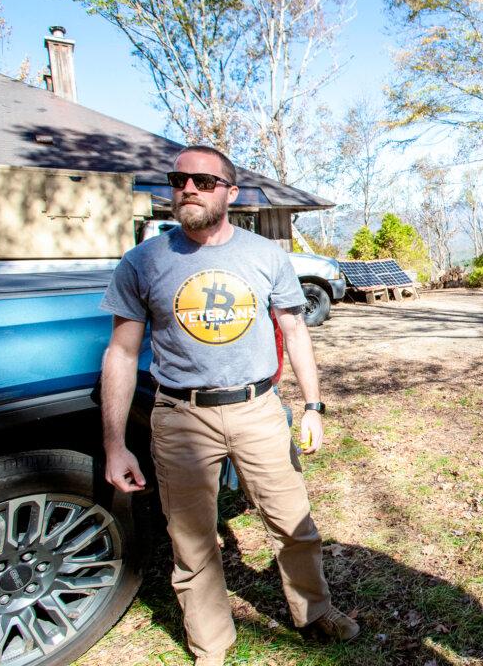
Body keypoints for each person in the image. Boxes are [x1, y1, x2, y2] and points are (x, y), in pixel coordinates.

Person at [99, 145, 358, 666]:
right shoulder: (143, 262)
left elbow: (294, 331)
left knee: (293, 524)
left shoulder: (265, 255)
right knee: (191, 541)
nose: (188, 188)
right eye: (179, 180)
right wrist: (114, 444)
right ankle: (211, 645)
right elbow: (122, 352)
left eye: (203, 181)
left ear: (230, 193)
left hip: (258, 409)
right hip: (180, 416)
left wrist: (312, 406)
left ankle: (314, 611)